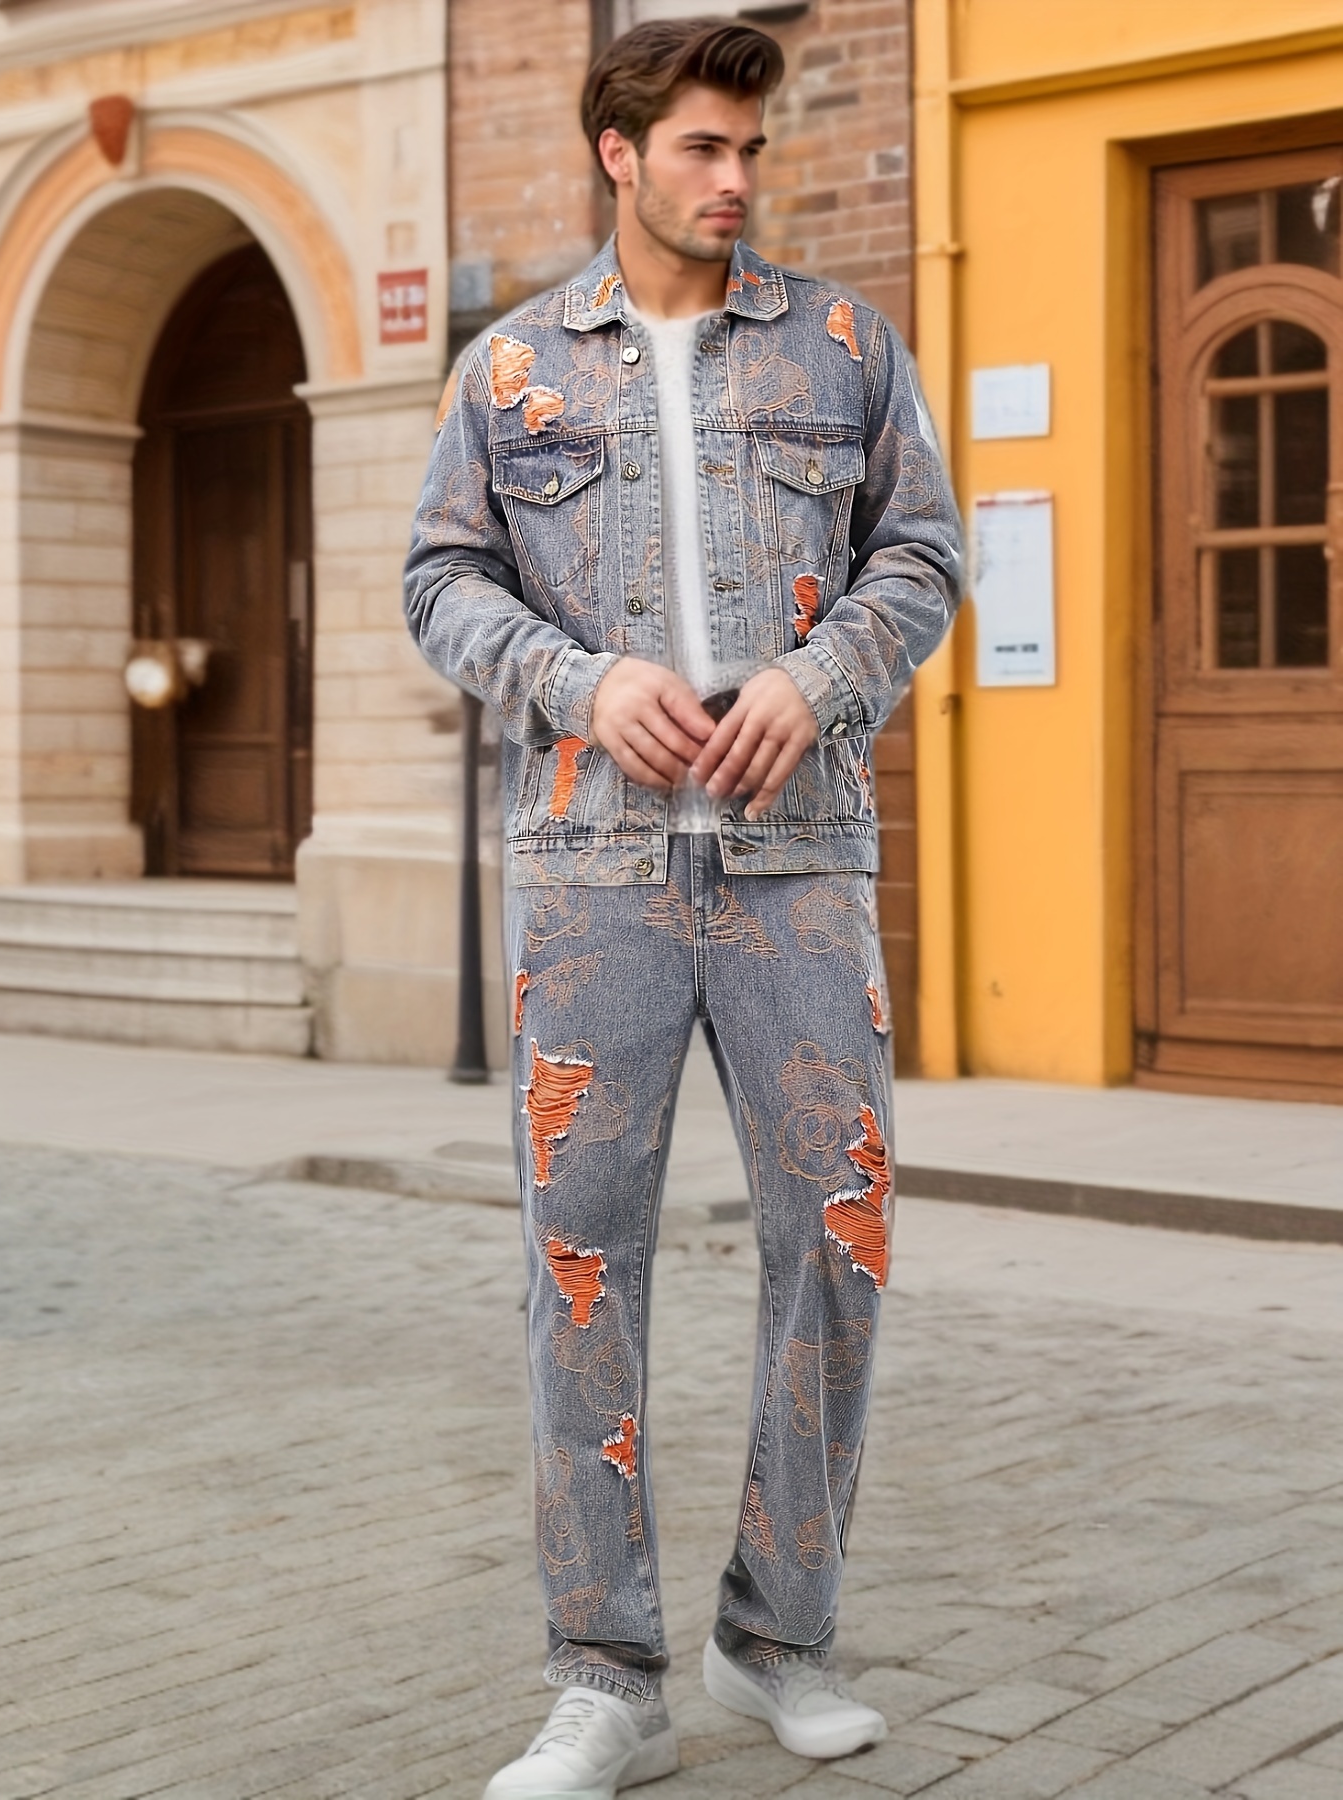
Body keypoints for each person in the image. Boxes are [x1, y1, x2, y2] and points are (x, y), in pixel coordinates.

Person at [404, 18, 963, 1797]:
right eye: (703, 151)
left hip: (800, 866)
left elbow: (925, 550)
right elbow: (438, 582)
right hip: (589, 882)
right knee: (581, 1268)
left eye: (750, 152)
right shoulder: (505, 376)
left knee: (842, 1242)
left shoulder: (846, 346)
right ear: (617, 154)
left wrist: (825, 673)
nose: (735, 182)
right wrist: (575, 683)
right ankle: (603, 1676)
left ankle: (773, 1636)